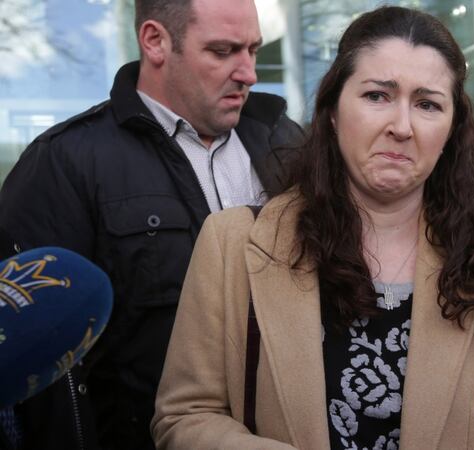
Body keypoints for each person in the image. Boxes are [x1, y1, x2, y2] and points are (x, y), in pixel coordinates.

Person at [151, 6, 474, 449]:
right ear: (334, 110)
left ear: (453, 129)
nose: (401, 126)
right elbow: (185, 417)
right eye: (377, 96)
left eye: (428, 104)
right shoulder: (234, 242)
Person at [0, 0, 304, 448]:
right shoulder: (65, 163)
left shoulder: (286, 141)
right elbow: (36, 362)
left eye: (254, 50)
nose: (249, 73)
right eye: (223, 51)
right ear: (155, 41)